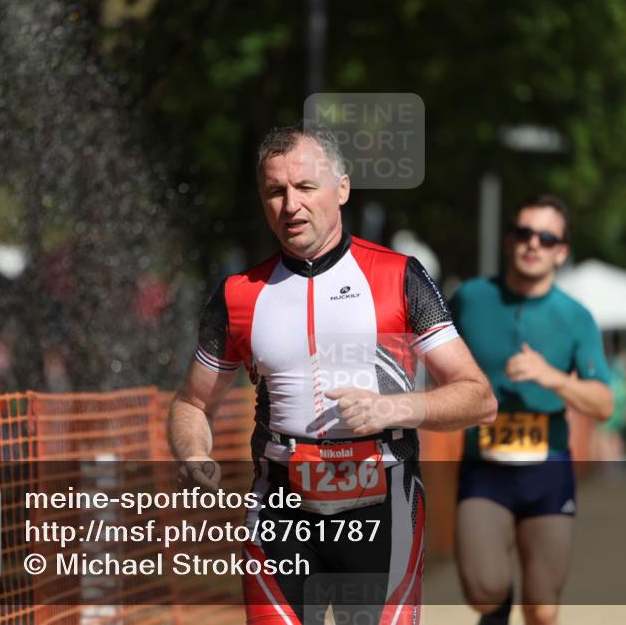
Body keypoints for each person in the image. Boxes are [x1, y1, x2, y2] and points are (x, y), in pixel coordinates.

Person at [168, 122, 496, 624]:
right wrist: (193, 452)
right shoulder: (238, 294)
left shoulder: (399, 276)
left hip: (382, 505)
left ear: (342, 189)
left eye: (305, 187)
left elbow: (478, 397)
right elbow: (192, 403)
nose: (291, 205)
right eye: (275, 191)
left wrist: (395, 408)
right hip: (279, 508)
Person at [450, 194, 613, 625]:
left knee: (542, 609)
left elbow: (603, 403)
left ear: (562, 251)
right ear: (509, 240)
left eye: (546, 238)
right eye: (523, 233)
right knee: (484, 592)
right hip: (484, 466)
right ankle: (497, 607)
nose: (533, 243)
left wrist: (552, 376)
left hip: (548, 471)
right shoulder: (470, 299)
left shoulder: (576, 317)